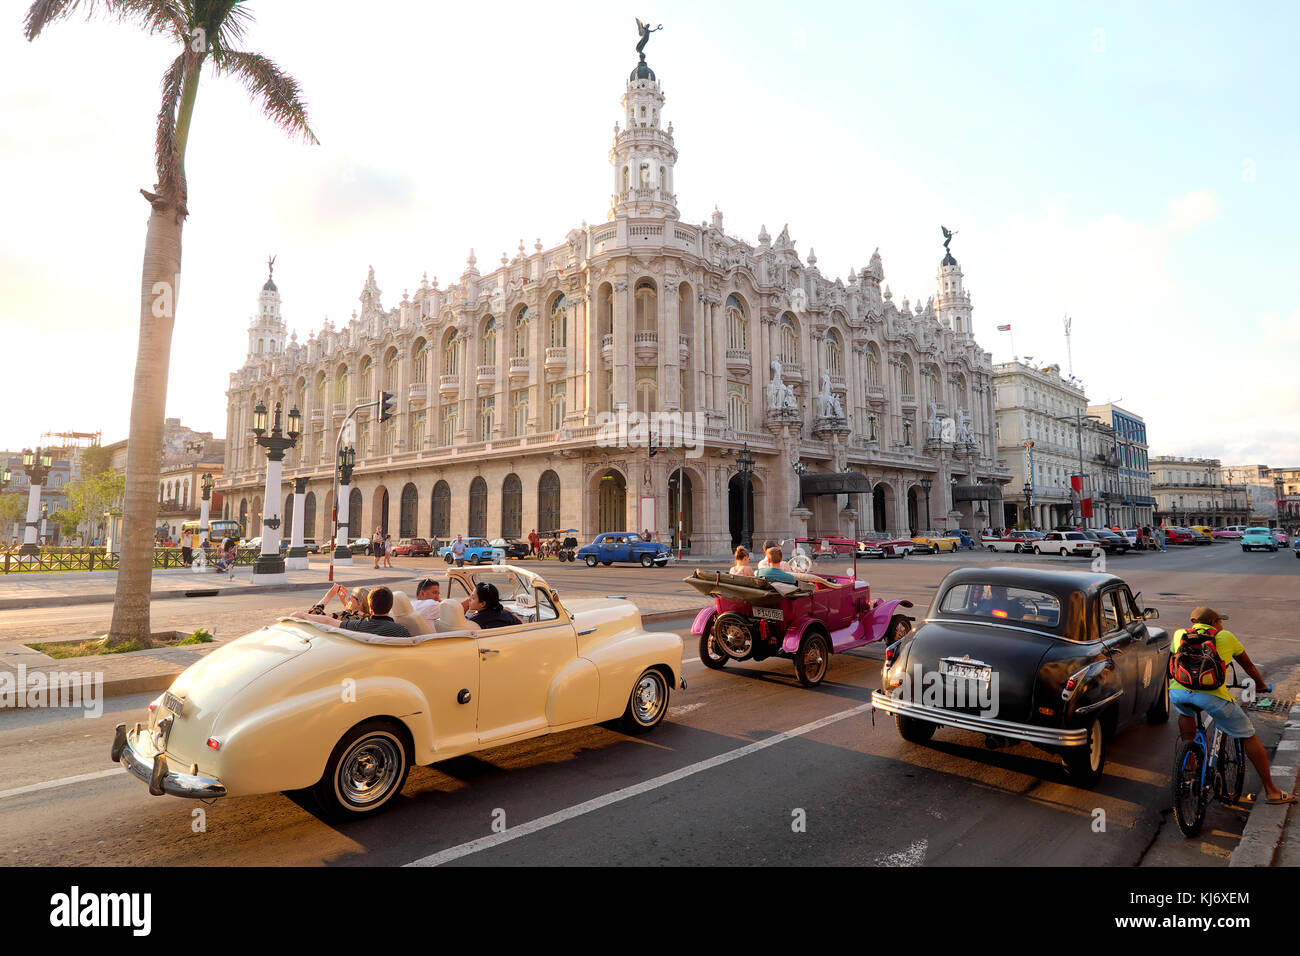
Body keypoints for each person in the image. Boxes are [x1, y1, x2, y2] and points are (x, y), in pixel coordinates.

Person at [1170, 607, 1294, 805]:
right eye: (1220, 621)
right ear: (1214, 622)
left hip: (1179, 692)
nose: (1222, 625)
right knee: (1247, 734)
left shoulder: (1179, 635)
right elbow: (1249, 665)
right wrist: (1261, 685)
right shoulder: (1225, 636)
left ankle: (1190, 761)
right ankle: (1271, 791)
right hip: (1212, 696)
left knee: (1185, 713)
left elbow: (1173, 663)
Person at [295, 586, 410, 637]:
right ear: (390, 607)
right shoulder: (401, 631)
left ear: (368, 605)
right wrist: (346, 604)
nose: (349, 598)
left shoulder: (357, 624)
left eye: (352, 596)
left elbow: (323, 619)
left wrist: (328, 596)